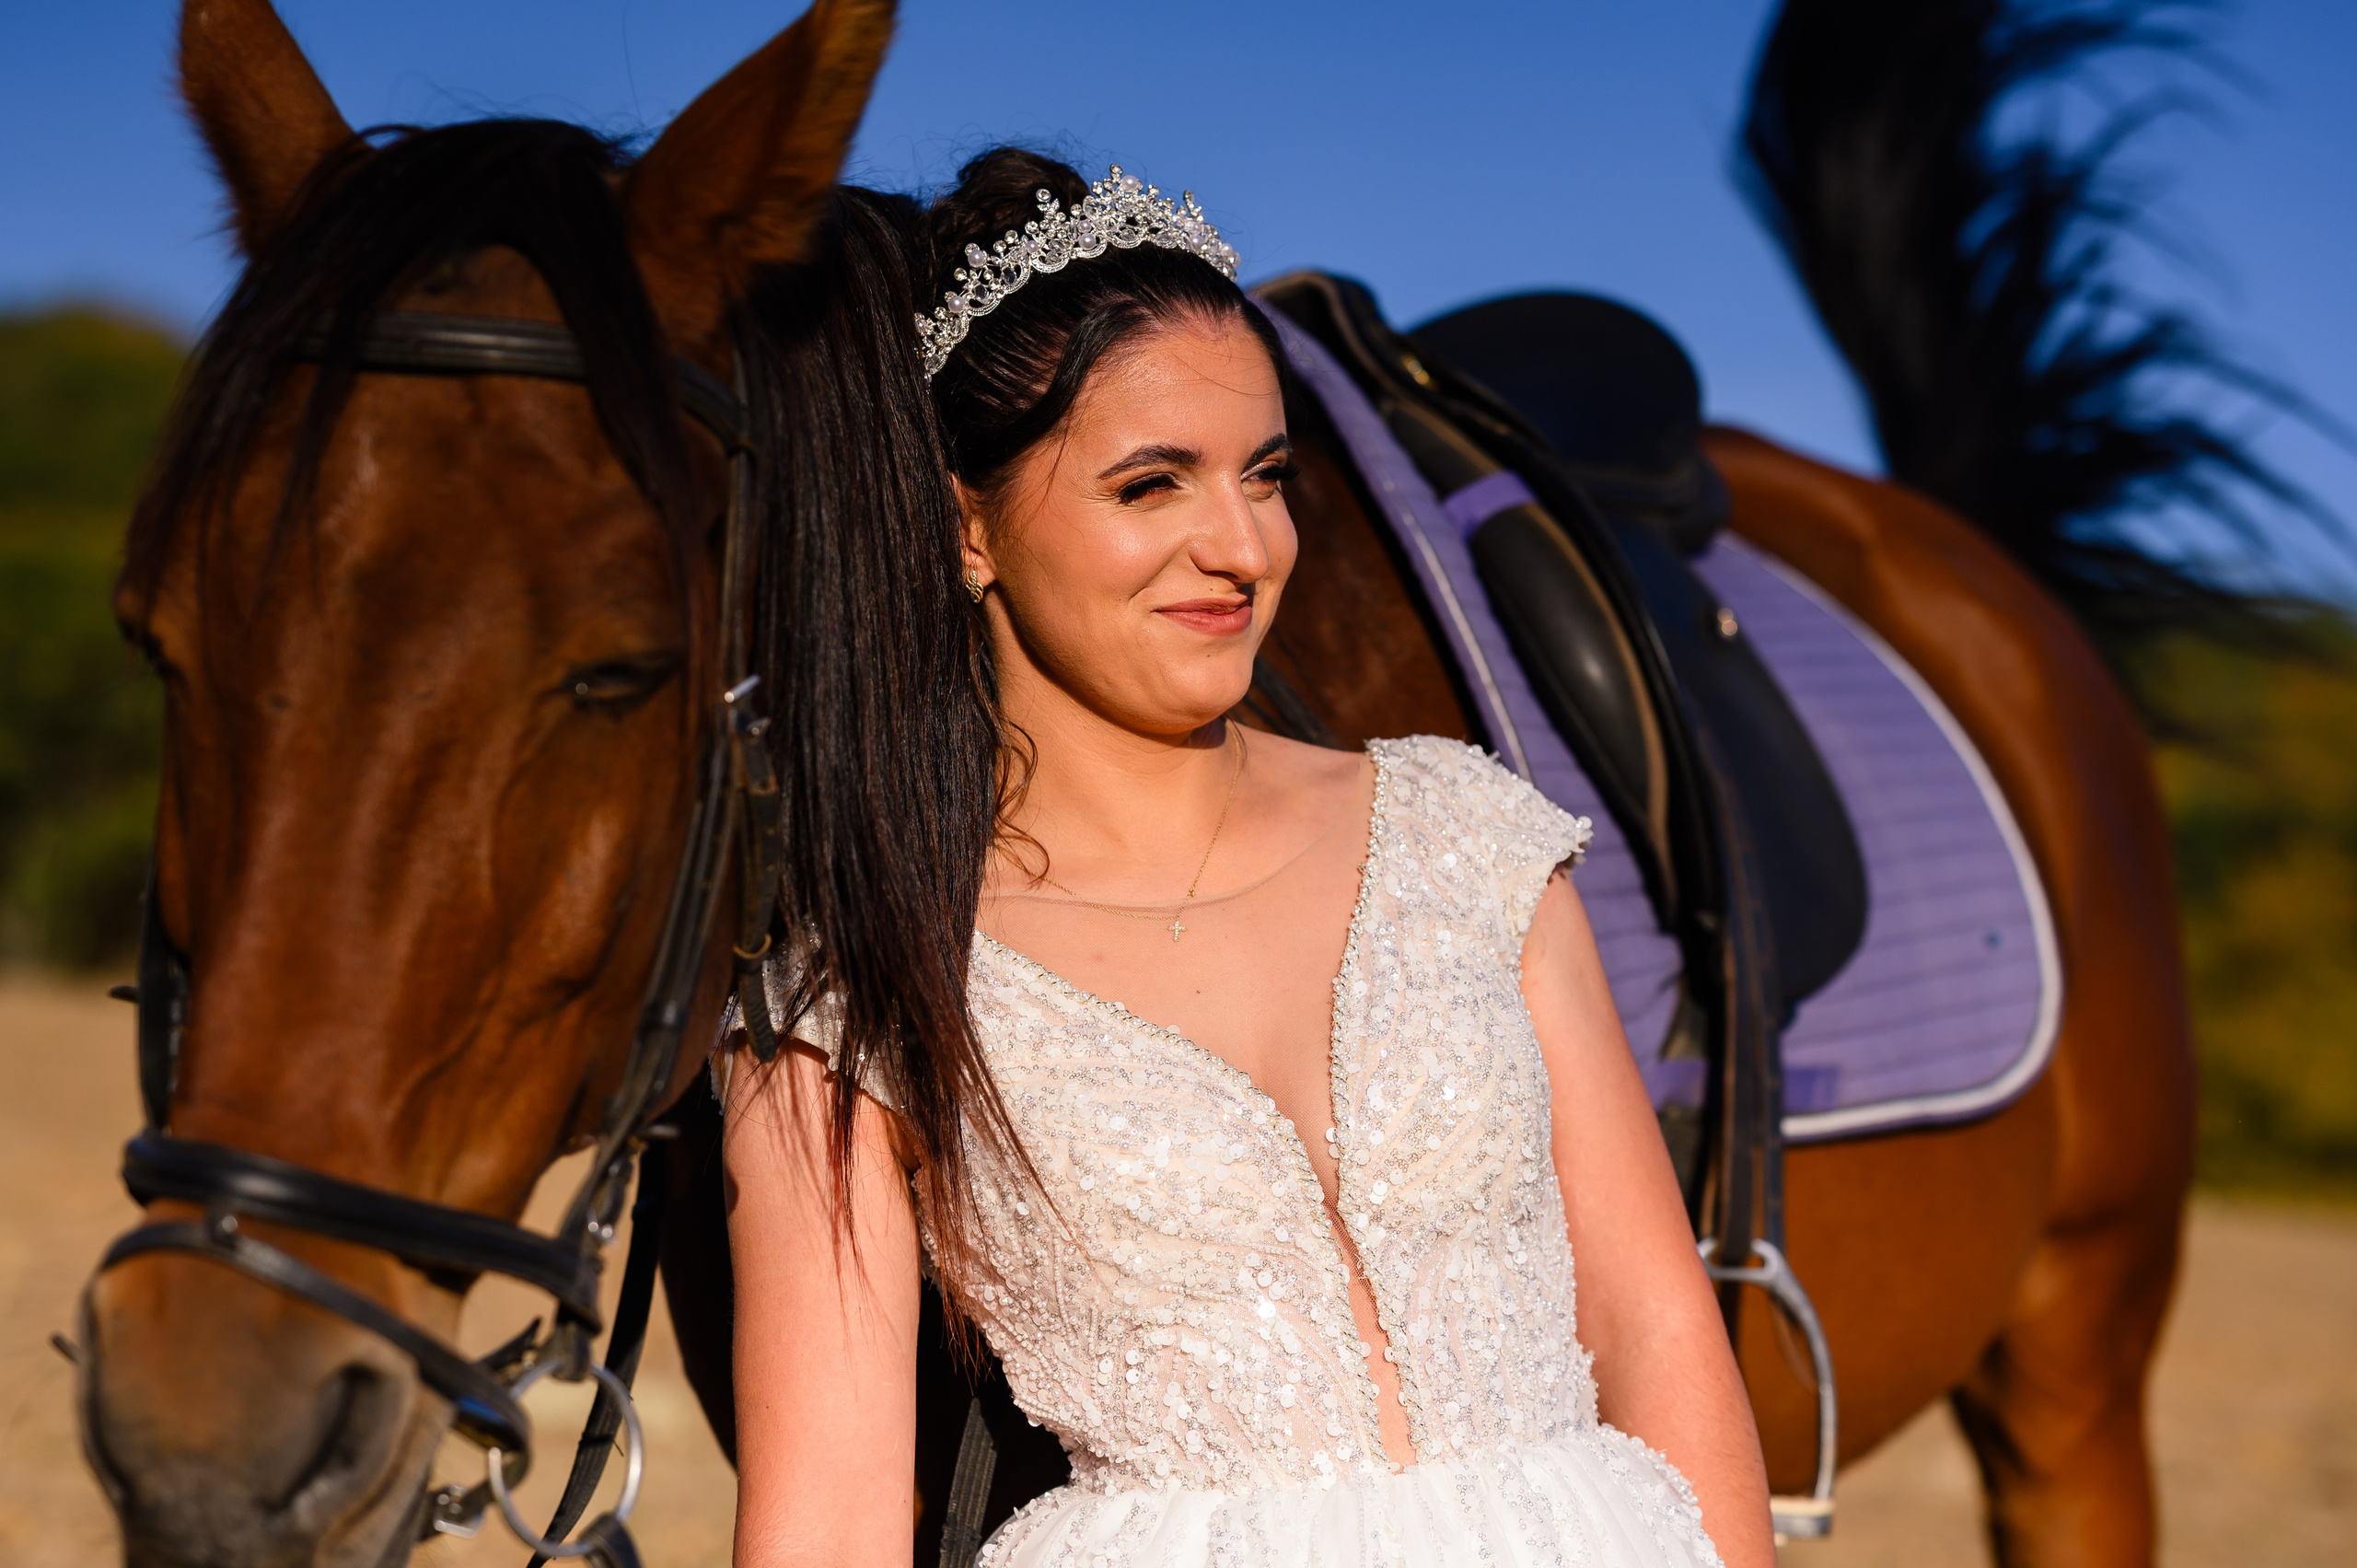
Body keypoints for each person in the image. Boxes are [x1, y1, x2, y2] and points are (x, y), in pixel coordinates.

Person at [719, 147, 1774, 1568]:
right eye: (1152, 486)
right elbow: (830, 1529)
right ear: (967, 528)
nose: (1241, 547)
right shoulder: (848, 1002)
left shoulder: (1467, 838)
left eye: (1264, 475)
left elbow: (1655, 1329)